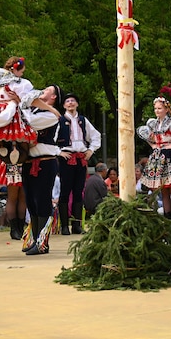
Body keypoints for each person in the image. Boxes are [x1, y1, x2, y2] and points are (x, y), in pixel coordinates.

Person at [0, 56, 60, 164]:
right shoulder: (20, 83)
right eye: (22, 72)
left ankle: (1, 147)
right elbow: (32, 101)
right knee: (21, 128)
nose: (22, 74)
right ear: (14, 69)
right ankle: (12, 149)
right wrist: (51, 109)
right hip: (9, 111)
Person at [137, 97, 171, 232]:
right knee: (163, 190)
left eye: (159, 108)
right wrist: (154, 145)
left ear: (167, 109)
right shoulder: (153, 124)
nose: (157, 111)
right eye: (155, 108)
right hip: (158, 157)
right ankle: (167, 220)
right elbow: (147, 136)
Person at [20, 85, 63, 255]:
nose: (42, 91)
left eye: (47, 90)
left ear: (53, 97)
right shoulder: (35, 110)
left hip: (45, 162)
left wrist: (20, 102)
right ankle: (34, 239)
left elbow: (28, 122)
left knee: (42, 200)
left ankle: (42, 243)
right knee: (31, 201)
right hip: (28, 161)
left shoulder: (52, 114)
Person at [57, 93, 101, 235]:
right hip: (66, 158)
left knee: (78, 191)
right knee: (64, 191)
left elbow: (95, 136)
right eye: (67, 101)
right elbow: (51, 139)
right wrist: (59, 152)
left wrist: (90, 150)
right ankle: (64, 225)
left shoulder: (83, 120)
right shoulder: (59, 120)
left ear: (77, 104)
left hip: (81, 158)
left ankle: (77, 226)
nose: (70, 103)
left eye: (73, 101)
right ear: (64, 105)